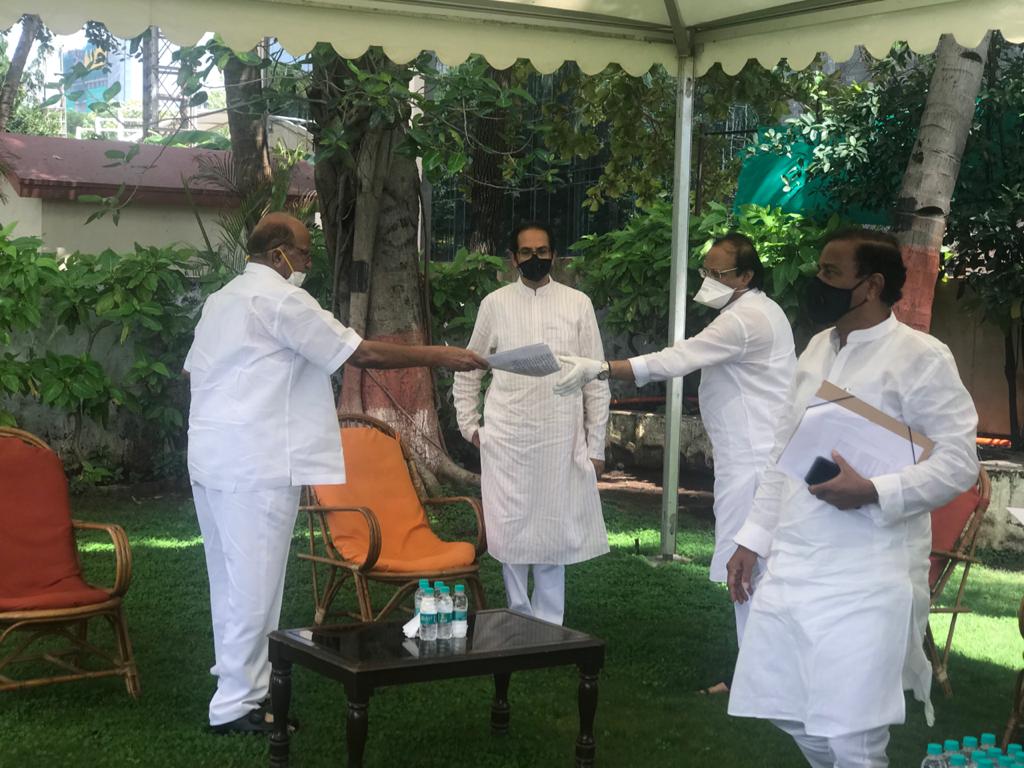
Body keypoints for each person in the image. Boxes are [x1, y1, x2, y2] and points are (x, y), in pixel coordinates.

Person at [184, 212, 487, 735]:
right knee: (255, 589)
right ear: (278, 254)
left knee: (230, 583)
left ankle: (235, 683)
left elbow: (193, 369)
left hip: (211, 456)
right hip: (258, 462)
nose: (308, 261)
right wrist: (439, 355)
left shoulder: (222, 300)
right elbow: (360, 352)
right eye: (304, 252)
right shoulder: (282, 300)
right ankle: (238, 703)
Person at [725, 228, 979, 767]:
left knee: (853, 733)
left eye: (831, 273)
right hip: (797, 560)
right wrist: (752, 539)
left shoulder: (922, 357)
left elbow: (959, 464)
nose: (817, 281)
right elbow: (782, 451)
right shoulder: (818, 347)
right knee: (786, 706)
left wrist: (874, 490)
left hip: (869, 572)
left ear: (873, 285)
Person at [554, 233, 796, 690]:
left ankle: (761, 682)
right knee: (753, 570)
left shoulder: (744, 320)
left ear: (746, 276)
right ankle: (760, 675)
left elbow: (677, 359)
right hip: (752, 461)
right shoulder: (761, 311)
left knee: (748, 571)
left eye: (719, 273)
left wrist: (602, 369)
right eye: (706, 270)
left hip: (754, 466)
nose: (708, 279)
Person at [452, 221, 610, 626]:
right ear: (513, 258)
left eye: (542, 251)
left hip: (560, 435)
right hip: (508, 436)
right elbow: (469, 368)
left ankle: (550, 623)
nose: (535, 258)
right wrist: (470, 426)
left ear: (553, 254)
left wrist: (596, 447)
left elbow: (596, 378)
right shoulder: (495, 304)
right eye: (526, 252)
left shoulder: (577, 303)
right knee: (511, 528)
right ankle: (518, 616)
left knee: (553, 528)